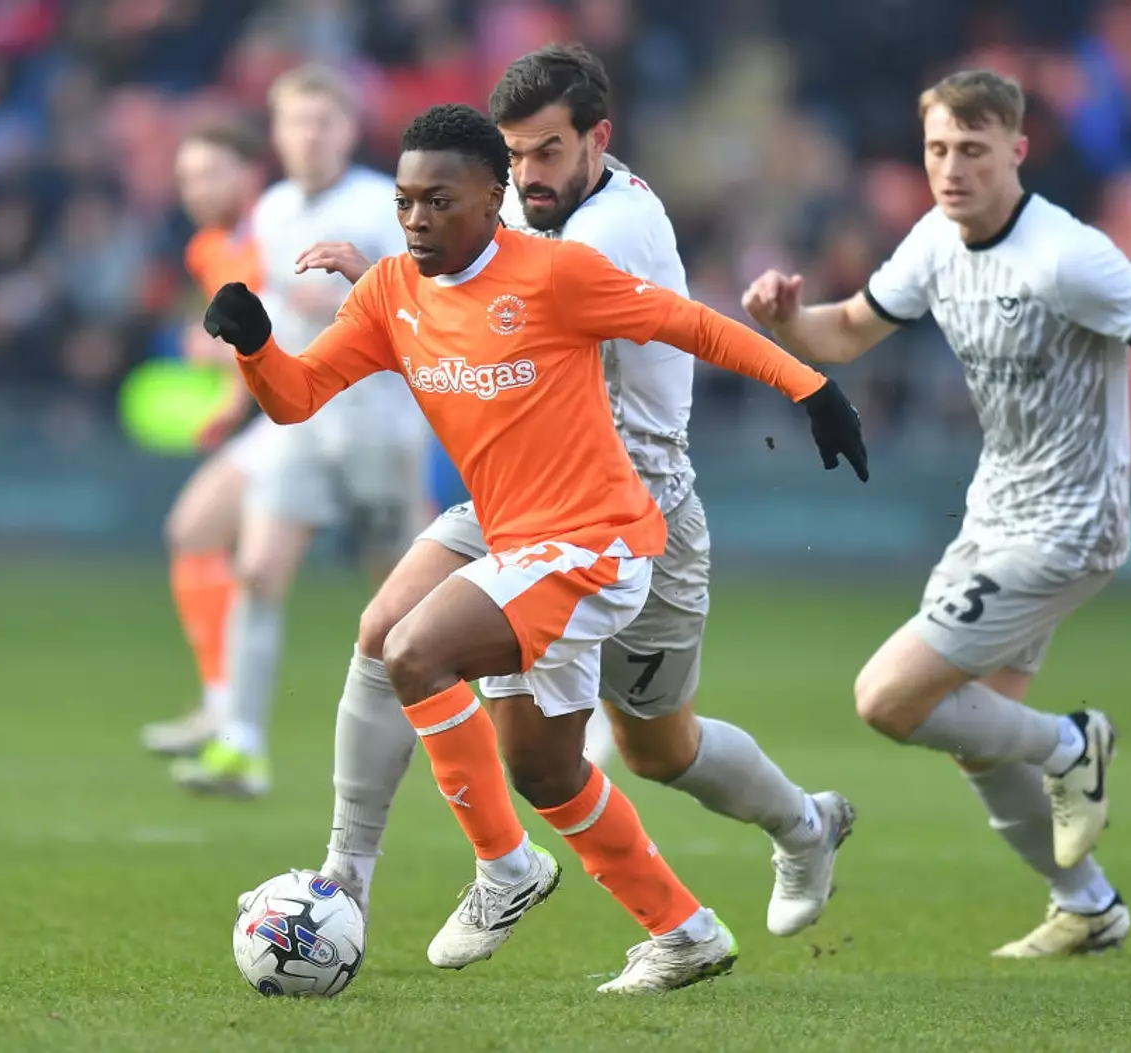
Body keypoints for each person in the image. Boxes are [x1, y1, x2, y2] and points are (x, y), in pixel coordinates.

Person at [208, 103, 867, 992]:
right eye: (405, 202)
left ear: (494, 197)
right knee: (544, 766)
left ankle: (505, 866)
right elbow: (296, 396)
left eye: (438, 202)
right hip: (510, 531)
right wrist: (255, 344)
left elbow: (691, 324)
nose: (415, 220)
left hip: (597, 541)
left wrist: (812, 387)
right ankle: (686, 931)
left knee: (413, 649)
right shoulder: (389, 291)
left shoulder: (556, 273)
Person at [743, 69, 1131, 957]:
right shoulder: (935, 239)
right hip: (994, 515)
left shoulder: (1065, 255)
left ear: (1016, 151)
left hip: (1070, 522)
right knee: (975, 737)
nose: (952, 167)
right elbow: (848, 332)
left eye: (972, 150)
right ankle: (1087, 904)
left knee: (888, 698)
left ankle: (1072, 743)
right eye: (938, 148)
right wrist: (789, 319)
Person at [168, 64, 431, 797]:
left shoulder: (386, 205)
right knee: (256, 573)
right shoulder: (275, 210)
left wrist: (362, 285)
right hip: (301, 425)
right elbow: (273, 313)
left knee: (408, 603)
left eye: (324, 121)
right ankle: (241, 745)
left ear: (349, 130)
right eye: (296, 121)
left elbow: (425, 300)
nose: (310, 135)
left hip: (378, 428)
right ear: (277, 134)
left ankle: (491, 722)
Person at [141, 118, 265, 757]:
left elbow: (287, 332)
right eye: (187, 176)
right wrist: (225, 403)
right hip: (282, 422)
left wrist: (217, 357)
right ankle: (226, 713)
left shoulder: (278, 229)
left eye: (210, 172)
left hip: (343, 412)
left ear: (250, 173)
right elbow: (244, 347)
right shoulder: (207, 250)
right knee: (196, 533)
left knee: (405, 581)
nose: (195, 188)